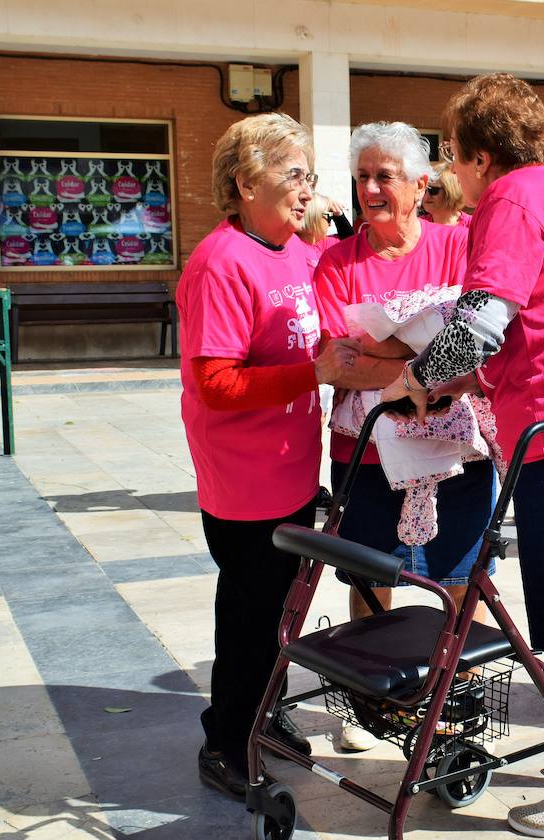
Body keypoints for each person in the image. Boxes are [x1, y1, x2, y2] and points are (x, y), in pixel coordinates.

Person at [379, 73, 544, 836]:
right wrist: (459, 378)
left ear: (479, 157)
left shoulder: (511, 200)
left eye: (453, 155)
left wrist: (416, 378)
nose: (451, 172)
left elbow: (479, 324)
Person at [177, 113, 359, 800]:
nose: (306, 189)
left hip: (291, 467)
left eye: (310, 175)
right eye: (292, 175)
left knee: (281, 612)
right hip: (243, 477)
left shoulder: (297, 251)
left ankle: (262, 713)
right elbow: (215, 383)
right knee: (250, 617)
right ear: (245, 183)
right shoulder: (220, 262)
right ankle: (225, 742)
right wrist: (311, 374)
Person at [312, 121, 494, 753]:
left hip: (453, 448)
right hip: (364, 447)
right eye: (362, 176)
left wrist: (389, 359)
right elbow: (340, 362)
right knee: (371, 574)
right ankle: (371, 697)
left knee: (456, 573)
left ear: (421, 186)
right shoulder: (336, 262)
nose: (370, 188)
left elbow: (484, 343)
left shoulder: (460, 245)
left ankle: (453, 690)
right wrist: (426, 366)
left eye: (384, 176)